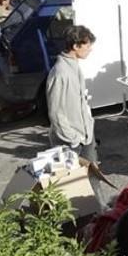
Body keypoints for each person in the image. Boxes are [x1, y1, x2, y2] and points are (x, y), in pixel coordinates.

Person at [46, 26, 99, 163]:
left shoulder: (74, 66)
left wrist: (89, 125)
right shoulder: (60, 72)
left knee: (93, 178)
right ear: (75, 46)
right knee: (72, 182)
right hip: (71, 141)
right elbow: (55, 112)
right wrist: (72, 138)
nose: (90, 49)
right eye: (87, 46)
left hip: (85, 136)